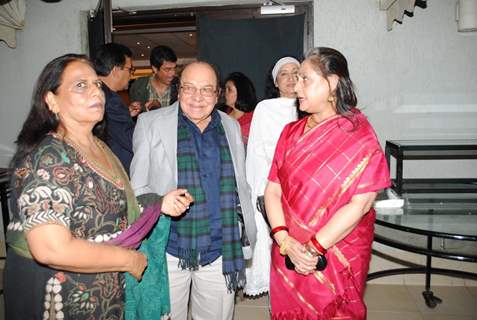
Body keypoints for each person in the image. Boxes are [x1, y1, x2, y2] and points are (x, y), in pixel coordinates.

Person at [3, 54, 193, 319]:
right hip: (61, 297)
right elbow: (51, 248)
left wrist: (159, 203)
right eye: (81, 85)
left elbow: (109, 209)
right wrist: (128, 260)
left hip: (103, 295)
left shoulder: (99, 146)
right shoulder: (49, 157)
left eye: (96, 84)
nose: (95, 91)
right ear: (51, 100)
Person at [265, 47, 391, 319]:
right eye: (296, 79)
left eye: (305, 79)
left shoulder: (359, 136)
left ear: (332, 83)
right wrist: (285, 241)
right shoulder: (290, 133)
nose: (296, 86)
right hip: (289, 248)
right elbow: (273, 190)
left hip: (333, 252)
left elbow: (361, 204)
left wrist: (312, 249)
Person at [130, 61, 257, 320]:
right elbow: (137, 189)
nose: (197, 98)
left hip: (220, 249)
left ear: (217, 93)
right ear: (178, 91)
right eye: (189, 88)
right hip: (169, 249)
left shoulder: (230, 127)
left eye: (206, 90)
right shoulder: (150, 123)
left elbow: (239, 185)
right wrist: (159, 201)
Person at [243, 56, 300, 296]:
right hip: (272, 184)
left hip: (303, 188)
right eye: (284, 74)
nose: (290, 78)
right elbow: (257, 151)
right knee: (275, 240)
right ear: (276, 82)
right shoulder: (265, 108)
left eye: (295, 72)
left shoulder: (311, 107)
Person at [93, 43, 140, 176]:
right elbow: (131, 140)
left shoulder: (98, 93)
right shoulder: (110, 99)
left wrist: (125, 113)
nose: (131, 75)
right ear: (116, 70)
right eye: (130, 69)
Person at [129, 45, 179, 111]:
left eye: (174, 68)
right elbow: (136, 117)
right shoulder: (139, 86)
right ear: (155, 69)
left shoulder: (180, 86)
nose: (173, 73)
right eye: (167, 69)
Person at [223, 72, 257, 145]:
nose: (225, 93)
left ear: (241, 92)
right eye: (225, 89)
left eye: (229, 89)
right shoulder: (223, 115)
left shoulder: (255, 120)